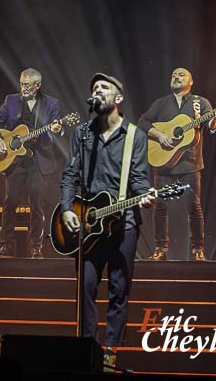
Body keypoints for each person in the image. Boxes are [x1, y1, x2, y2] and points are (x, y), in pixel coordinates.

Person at [59, 73, 155, 370]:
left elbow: (139, 180)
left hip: (123, 224)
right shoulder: (82, 134)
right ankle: (87, 348)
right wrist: (66, 209)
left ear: (118, 98)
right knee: (85, 286)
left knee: (118, 290)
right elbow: (70, 175)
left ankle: (111, 355)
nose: (97, 91)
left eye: (104, 87)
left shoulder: (135, 136)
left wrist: (146, 195)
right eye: (94, 88)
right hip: (88, 226)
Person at [138, 68, 216, 262]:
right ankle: (160, 249)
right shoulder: (161, 103)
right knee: (160, 206)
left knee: (194, 207)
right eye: (173, 75)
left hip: (190, 164)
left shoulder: (200, 103)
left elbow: (210, 126)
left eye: (181, 75)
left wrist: (215, 120)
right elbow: (143, 121)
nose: (176, 77)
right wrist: (160, 135)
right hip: (163, 163)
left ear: (191, 81)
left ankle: (198, 250)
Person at [0, 68, 62, 258]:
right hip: (15, 161)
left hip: (38, 159)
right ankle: (6, 244)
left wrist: (57, 129)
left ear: (38, 85)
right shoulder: (11, 100)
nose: (23, 88)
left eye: (27, 85)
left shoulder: (51, 103)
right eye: (21, 84)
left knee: (37, 202)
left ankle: (36, 246)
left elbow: (57, 131)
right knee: (10, 200)